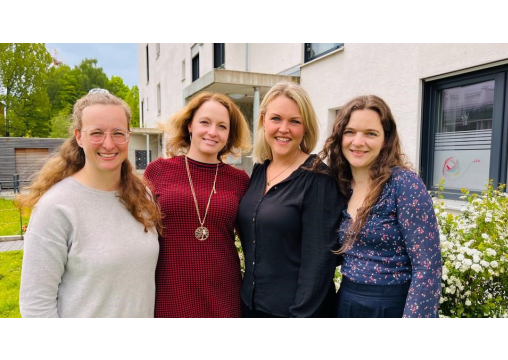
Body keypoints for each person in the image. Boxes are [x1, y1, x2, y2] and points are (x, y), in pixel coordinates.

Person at [17, 89, 162, 318]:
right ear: (78, 136)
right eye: (96, 133)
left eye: (117, 133)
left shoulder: (143, 195)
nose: (108, 143)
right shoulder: (56, 207)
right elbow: (36, 305)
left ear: (128, 136)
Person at [314, 94, 442, 318]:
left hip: (391, 307)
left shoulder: (404, 184)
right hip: (345, 303)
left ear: (386, 139)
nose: (358, 142)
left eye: (370, 134)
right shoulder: (340, 185)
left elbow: (427, 267)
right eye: (350, 132)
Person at [237, 82, 344, 318]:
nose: (284, 129)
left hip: (296, 313)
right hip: (250, 306)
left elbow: (319, 264)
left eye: (294, 121)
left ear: (305, 127)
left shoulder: (318, 179)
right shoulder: (258, 172)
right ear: (263, 121)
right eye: (276, 118)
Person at [144, 92, 252, 318]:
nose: (212, 132)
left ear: (229, 134)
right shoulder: (158, 171)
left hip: (223, 291)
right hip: (169, 290)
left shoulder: (239, 179)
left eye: (222, 126)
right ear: (190, 125)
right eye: (205, 122)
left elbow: (252, 241)